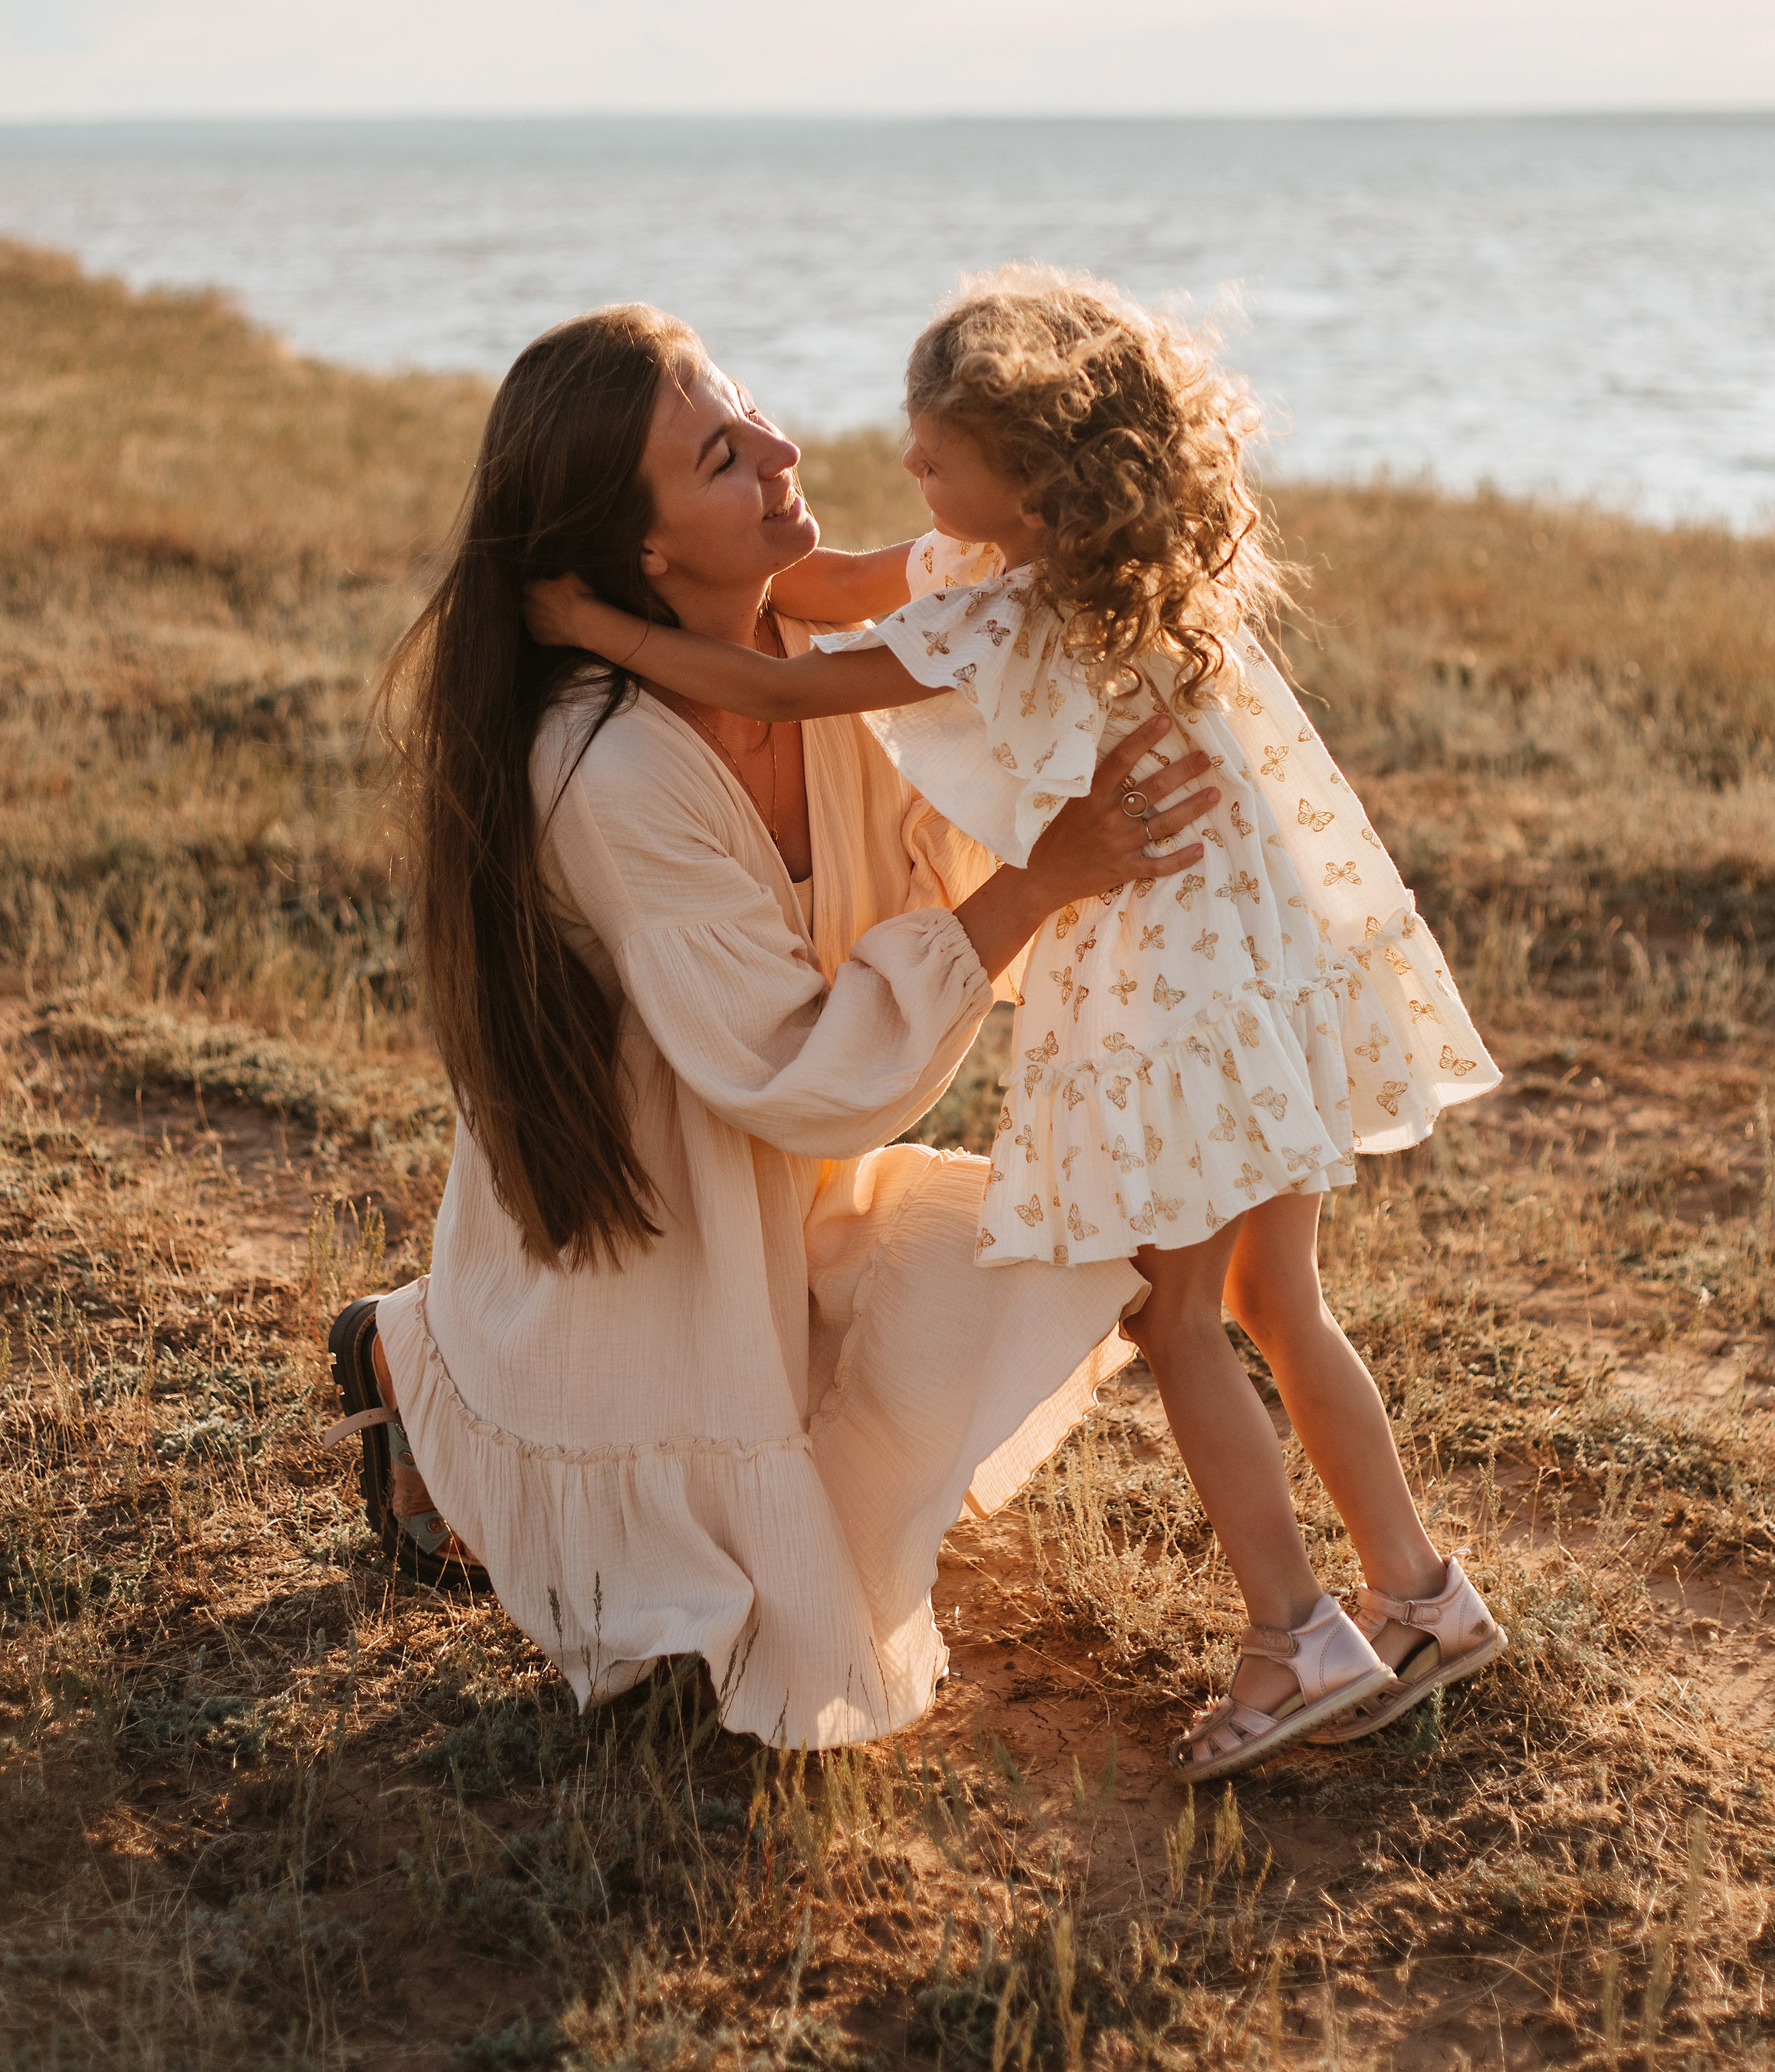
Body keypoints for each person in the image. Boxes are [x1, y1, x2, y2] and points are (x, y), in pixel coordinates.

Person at [529, 268, 1508, 1785]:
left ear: (1030, 488)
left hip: (1174, 1011)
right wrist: (769, 563)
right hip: (1261, 987)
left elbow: (770, 684)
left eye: (935, 453)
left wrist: (600, 618)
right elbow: (829, 582)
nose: (907, 470)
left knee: (1177, 1322)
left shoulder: (1004, 611)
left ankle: (1295, 1638)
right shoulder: (1118, 575)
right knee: (1277, 1305)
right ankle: (1424, 1597)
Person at [331, 302, 1222, 1749]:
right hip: (656, 1204)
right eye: (722, 454)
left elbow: (942, 860)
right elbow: (790, 1073)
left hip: (784, 1183)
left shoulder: (820, 662)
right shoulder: (609, 763)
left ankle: (432, 1360)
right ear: (647, 555)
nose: (786, 450)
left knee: (1046, 1259)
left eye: (751, 413)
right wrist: (1046, 877)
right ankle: (426, 1365)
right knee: (721, 1665)